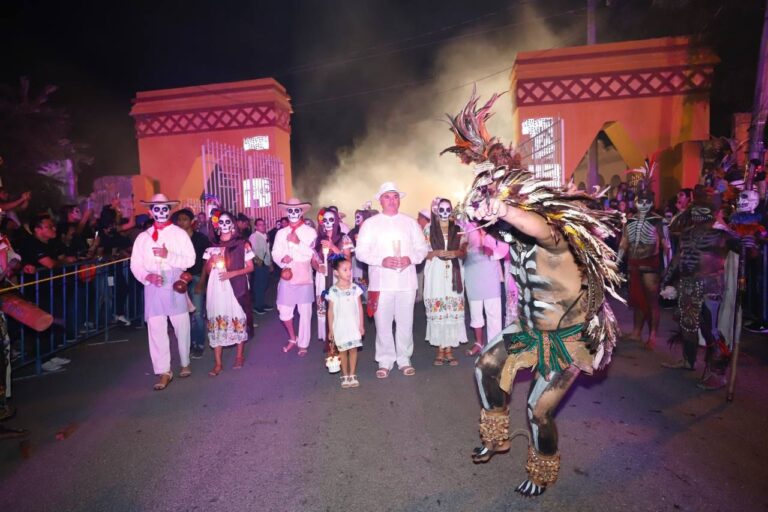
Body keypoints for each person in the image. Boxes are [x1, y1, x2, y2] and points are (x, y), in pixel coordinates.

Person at [442, 89, 624, 497]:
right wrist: (484, 205)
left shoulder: (555, 236)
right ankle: (496, 435)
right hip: (528, 329)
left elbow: (537, 227)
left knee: (538, 411)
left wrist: (504, 208)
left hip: (568, 340)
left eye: (507, 208)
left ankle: (542, 472)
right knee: (485, 367)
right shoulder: (515, 240)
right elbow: (489, 222)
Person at [662, 186, 743, 390]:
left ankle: (717, 373)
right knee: (686, 326)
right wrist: (667, 279)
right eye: (695, 210)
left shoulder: (721, 235)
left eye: (702, 210)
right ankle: (689, 361)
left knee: (711, 330)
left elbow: (744, 248)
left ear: (711, 214)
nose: (698, 214)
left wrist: (749, 237)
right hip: (687, 285)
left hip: (709, 287)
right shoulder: (686, 234)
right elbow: (677, 258)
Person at [355, 182, 428, 378]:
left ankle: (404, 358)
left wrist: (409, 258)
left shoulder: (410, 223)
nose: (392, 201)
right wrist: (382, 260)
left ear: (399, 200)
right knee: (383, 324)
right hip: (381, 283)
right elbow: (361, 252)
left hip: (406, 282)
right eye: (387, 197)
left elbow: (422, 249)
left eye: (395, 197)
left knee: (405, 323)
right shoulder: (370, 224)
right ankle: (385, 360)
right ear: (380, 200)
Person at [130, 194, 196, 391]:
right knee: (156, 327)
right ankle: (164, 371)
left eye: (164, 208)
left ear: (169, 210)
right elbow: (135, 264)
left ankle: (185, 361)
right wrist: (146, 276)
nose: (160, 212)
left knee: (181, 325)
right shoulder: (143, 238)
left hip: (175, 282)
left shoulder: (179, 234)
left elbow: (190, 260)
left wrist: (170, 256)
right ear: (150, 212)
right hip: (153, 286)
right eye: (156, 209)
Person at [617, 160, 671, 349]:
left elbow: (667, 246)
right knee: (637, 299)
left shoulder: (658, 221)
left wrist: (668, 270)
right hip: (634, 262)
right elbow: (624, 243)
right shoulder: (630, 221)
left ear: (653, 201)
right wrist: (616, 263)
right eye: (641, 200)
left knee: (651, 299)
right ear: (636, 201)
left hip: (651, 264)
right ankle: (637, 332)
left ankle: (653, 335)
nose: (644, 203)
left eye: (648, 201)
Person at [196, 212, 254, 375]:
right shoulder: (211, 246)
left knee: (237, 316)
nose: (224, 225)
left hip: (235, 287)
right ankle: (218, 363)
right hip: (216, 288)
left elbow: (250, 267)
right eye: (220, 222)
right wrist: (211, 261)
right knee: (216, 318)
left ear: (233, 224)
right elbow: (207, 270)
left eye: (227, 221)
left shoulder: (243, 244)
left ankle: (239, 356)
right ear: (216, 225)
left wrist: (232, 273)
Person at [423, 197, 467, 365]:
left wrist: (456, 253)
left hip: (454, 271)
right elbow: (422, 253)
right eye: (441, 209)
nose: (444, 213)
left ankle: (449, 349)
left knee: (451, 310)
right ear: (436, 211)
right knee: (439, 310)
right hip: (436, 272)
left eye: (447, 209)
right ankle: (440, 349)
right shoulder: (428, 229)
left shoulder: (459, 228)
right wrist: (436, 253)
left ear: (451, 211)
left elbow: (465, 249)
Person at [272, 198, 317, 356]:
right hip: (287, 274)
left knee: (305, 312)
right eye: (290, 210)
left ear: (301, 212)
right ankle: (293, 337)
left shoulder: (309, 231)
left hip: (304, 274)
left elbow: (312, 253)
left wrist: (298, 242)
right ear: (286, 212)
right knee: (283, 310)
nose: (293, 213)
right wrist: (281, 259)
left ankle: (303, 343)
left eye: (296, 210)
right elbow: (275, 252)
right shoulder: (281, 233)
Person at [463, 221, 508, 357]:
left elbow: (504, 248)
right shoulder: (467, 226)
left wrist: (492, 252)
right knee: (476, 312)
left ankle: (493, 347)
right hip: (472, 274)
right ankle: (479, 343)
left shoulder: (494, 226)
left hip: (490, 274)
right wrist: (464, 249)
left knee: (493, 313)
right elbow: (461, 245)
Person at [173, 208, 211, 359]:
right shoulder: (174, 240)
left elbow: (206, 261)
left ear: (191, 221)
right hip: (179, 279)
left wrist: (202, 281)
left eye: (185, 219)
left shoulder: (200, 238)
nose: (181, 222)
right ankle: (187, 344)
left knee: (197, 314)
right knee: (182, 315)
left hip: (196, 277)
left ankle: (199, 344)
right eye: (179, 220)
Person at [312, 207, 354, 344]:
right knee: (324, 307)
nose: (328, 223)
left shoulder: (344, 238)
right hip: (322, 278)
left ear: (336, 221)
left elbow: (347, 260)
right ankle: (328, 340)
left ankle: (340, 337)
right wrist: (318, 267)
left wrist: (333, 247)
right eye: (325, 220)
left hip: (338, 277)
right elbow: (312, 260)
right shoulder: (318, 239)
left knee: (339, 308)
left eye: (331, 220)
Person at [326, 257, 365, 388]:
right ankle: (345, 375)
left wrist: (361, 325)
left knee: (353, 349)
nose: (349, 272)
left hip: (353, 324)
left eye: (350, 269)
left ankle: (352, 374)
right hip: (340, 326)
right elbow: (330, 311)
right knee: (342, 351)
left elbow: (359, 307)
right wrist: (331, 329)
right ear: (336, 272)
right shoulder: (333, 291)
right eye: (345, 270)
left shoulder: (355, 288)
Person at [248, 217, 274, 315]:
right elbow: (252, 251)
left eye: (263, 224)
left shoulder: (265, 235)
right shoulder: (254, 236)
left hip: (266, 262)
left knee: (264, 284)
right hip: (259, 263)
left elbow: (268, 250)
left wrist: (270, 263)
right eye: (260, 224)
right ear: (255, 227)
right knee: (259, 285)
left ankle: (262, 303)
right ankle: (257, 306)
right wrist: (259, 263)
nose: (263, 226)